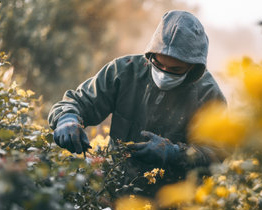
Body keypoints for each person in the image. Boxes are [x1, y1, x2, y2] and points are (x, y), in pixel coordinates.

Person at [48, 10, 226, 192]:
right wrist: (67, 118)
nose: (164, 73)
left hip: (173, 202)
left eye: (175, 69)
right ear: (151, 54)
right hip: (116, 188)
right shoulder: (124, 71)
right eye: (159, 64)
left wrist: (173, 153)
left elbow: (217, 153)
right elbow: (78, 102)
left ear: (193, 67)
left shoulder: (208, 95)